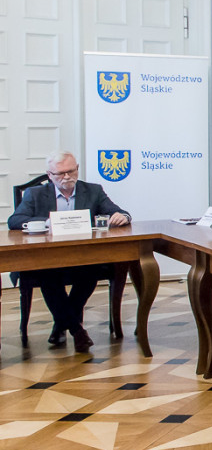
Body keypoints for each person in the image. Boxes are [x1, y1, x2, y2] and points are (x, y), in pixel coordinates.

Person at [8, 150, 131, 352]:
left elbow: (119, 211)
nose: (67, 177)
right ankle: (77, 330)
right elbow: (15, 220)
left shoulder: (93, 191)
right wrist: (47, 222)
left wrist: (123, 216)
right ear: (49, 175)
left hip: (83, 257)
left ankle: (60, 325)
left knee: (92, 270)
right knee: (47, 274)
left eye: (71, 171)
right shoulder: (35, 193)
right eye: (60, 173)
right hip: (46, 258)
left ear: (77, 169)